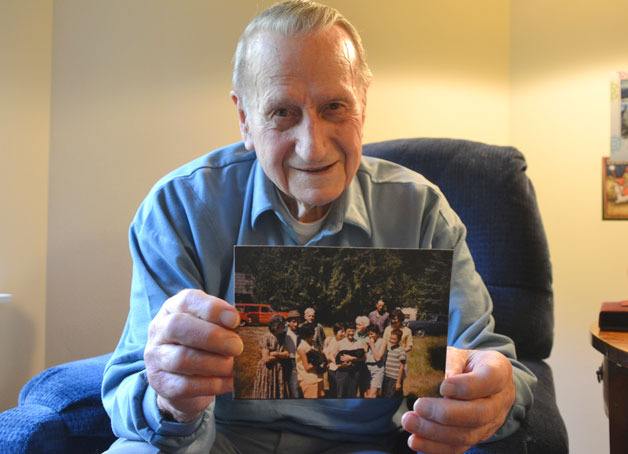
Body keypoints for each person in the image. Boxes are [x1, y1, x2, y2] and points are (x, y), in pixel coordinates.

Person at [102, 1, 536, 453]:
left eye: (334, 107)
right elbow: (128, 390)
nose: (312, 148)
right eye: (283, 113)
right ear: (245, 119)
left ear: (363, 107)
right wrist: (171, 399)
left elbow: (491, 360)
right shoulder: (180, 208)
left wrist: (494, 392)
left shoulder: (422, 211)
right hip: (217, 442)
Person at [251, 315, 290, 399]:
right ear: (276, 326)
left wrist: (275, 353)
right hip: (268, 369)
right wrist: (281, 355)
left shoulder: (281, 337)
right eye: (282, 325)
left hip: (278, 369)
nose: (284, 327)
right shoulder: (266, 337)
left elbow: (287, 354)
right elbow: (266, 359)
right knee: (267, 392)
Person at [334, 322, 366, 398]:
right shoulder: (339, 343)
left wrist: (351, 358)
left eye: (353, 331)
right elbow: (333, 358)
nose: (351, 333)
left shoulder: (359, 343)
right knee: (341, 395)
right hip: (342, 373)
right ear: (345, 332)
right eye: (349, 331)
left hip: (354, 373)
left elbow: (364, 358)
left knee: (352, 395)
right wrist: (341, 364)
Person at [296, 323, 325, 398]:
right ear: (309, 334)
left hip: (317, 378)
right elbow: (307, 367)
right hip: (308, 379)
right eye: (313, 333)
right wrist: (319, 362)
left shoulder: (311, 344)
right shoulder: (302, 347)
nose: (314, 335)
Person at [381, 330, 407, 399]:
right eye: (391, 338)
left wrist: (398, 382)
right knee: (384, 395)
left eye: (394, 339)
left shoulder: (401, 351)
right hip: (386, 376)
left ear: (399, 340)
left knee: (390, 397)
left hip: (394, 378)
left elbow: (402, 367)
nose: (391, 340)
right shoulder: (389, 349)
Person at [322, 322, 345, 397]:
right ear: (335, 332)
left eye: (344, 331)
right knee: (332, 389)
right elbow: (325, 352)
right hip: (331, 368)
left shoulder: (344, 342)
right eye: (341, 331)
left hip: (341, 369)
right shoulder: (329, 340)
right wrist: (329, 360)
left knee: (340, 391)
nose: (343, 334)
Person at [364, 325, 386, 398]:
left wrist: (372, 345)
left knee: (372, 395)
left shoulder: (383, 342)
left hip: (377, 369)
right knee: (367, 394)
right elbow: (363, 355)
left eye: (372, 334)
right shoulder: (366, 341)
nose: (370, 336)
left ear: (377, 333)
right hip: (367, 369)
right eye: (369, 334)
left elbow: (378, 358)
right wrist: (366, 346)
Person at [283, 310, 301, 398]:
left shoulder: (299, 332)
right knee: (293, 386)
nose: (296, 324)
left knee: (296, 385)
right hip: (289, 361)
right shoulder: (284, 332)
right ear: (288, 322)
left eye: (297, 321)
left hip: (299, 361)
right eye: (293, 322)